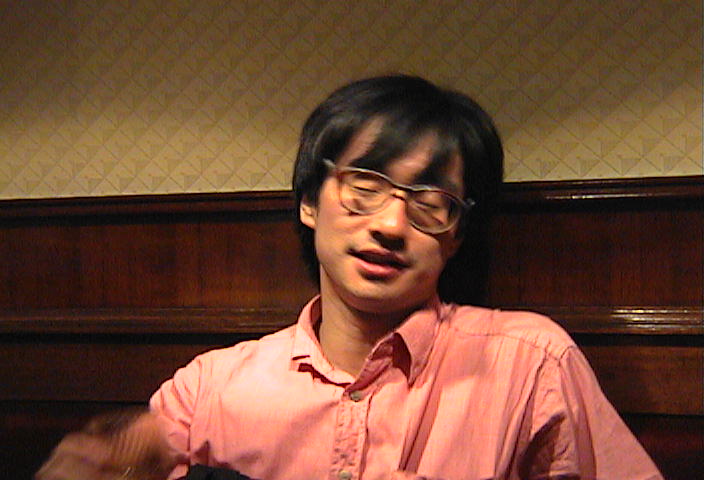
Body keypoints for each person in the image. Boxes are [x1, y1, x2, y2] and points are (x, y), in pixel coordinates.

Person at [36, 75, 663, 480]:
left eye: (431, 202)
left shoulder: (530, 364)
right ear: (311, 201)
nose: (391, 224)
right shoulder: (209, 390)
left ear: (457, 234)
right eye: (365, 185)